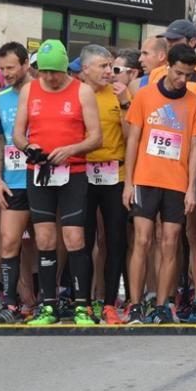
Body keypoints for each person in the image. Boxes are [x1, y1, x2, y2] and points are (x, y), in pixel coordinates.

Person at [13, 40, 102, 325]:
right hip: (39, 172)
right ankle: (48, 305)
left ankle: (80, 306)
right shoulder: (30, 89)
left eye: (55, 72)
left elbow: (96, 137)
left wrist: (71, 149)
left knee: (75, 238)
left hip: (72, 173)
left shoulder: (82, 91)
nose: (49, 77)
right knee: (45, 239)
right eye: (44, 72)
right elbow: (17, 133)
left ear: (65, 69)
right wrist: (28, 147)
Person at [123, 43, 196, 323]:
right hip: (145, 179)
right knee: (143, 240)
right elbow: (133, 139)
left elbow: (195, 147)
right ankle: (135, 305)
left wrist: (191, 188)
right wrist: (128, 182)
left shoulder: (194, 102)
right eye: (179, 73)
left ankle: (162, 305)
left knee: (170, 243)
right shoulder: (145, 96)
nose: (183, 80)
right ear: (168, 66)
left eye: (189, 75)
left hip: (176, 182)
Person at [80, 44, 130, 325]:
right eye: (102, 66)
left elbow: (130, 136)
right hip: (83, 174)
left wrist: (124, 103)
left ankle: (110, 304)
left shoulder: (120, 93)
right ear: (85, 69)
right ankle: (84, 304)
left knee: (115, 241)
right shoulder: (77, 93)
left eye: (110, 66)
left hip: (116, 175)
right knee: (83, 242)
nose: (109, 72)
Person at [0, 42, 36, 323]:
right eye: (3, 68)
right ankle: (13, 303)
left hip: (44, 181)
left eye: (11, 67)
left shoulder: (43, 93)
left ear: (25, 64)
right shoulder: (0, 98)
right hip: (12, 182)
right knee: (9, 242)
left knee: (45, 243)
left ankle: (47, 299)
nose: (6, 73)